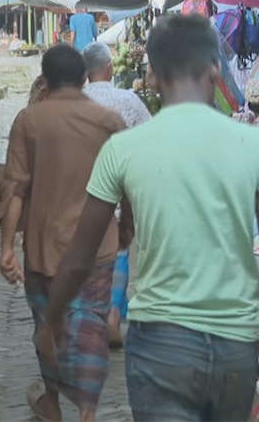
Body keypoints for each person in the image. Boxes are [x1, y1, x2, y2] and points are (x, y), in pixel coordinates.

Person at [38, 14, 259, 422]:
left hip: (160, 347)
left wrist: (51, 321)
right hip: (236, 348)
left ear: (154, 76)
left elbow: (79, 256)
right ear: (215, 68)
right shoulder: (257, 145)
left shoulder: (123, 149)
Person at [0, 45, 127, 422]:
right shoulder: (109, 122)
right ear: (85, 78)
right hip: (98, 248)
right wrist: (129, 225)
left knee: (48, 326)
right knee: (90, 327)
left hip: (43, 248)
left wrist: (6, 246)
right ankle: (87, 410)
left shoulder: (29, 120)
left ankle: (52, 401)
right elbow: (128, 181)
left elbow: (14, 187)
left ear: (45, 79)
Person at [80, 42, 150, 347]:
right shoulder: (129, 99)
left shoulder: (74, 102)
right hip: (120, 190)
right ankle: (112, 315)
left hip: (80, 191)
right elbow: (150, 138)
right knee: (119, 249)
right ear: (109, 67)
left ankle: (89, 317)